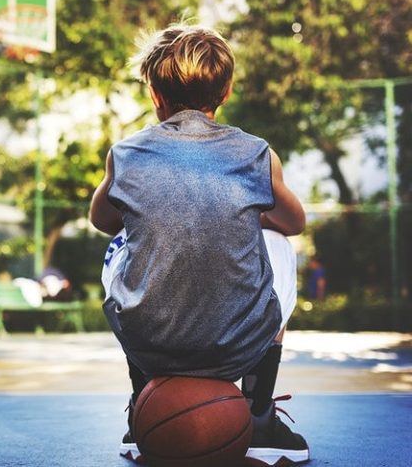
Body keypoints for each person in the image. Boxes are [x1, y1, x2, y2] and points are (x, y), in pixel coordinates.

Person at [89, 24, 309, 466]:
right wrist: (246, 212)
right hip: (238, 345)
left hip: (150, 344)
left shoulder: (126, 153)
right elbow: (295, 222)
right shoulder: (257, 154)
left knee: (119, 242)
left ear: (154, 93)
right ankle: (260, 415)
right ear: (226, 91)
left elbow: (100, 219)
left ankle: (140, 404)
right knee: (278, 243)